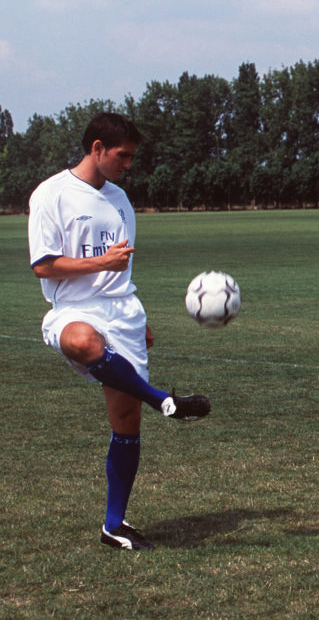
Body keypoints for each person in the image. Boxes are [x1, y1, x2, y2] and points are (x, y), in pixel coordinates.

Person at [27, 113, 211, 551]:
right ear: (96, 148)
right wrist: (100, 264)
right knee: (81, 342)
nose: (128, 163)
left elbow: (122, 267)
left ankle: (114, 525)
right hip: (73, 308)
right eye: (122, 155)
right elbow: (44, 264)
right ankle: (164, 400)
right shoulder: (51, 194)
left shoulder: (121, 200)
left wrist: (138, 316)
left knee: (126, 423)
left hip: (122, 310)